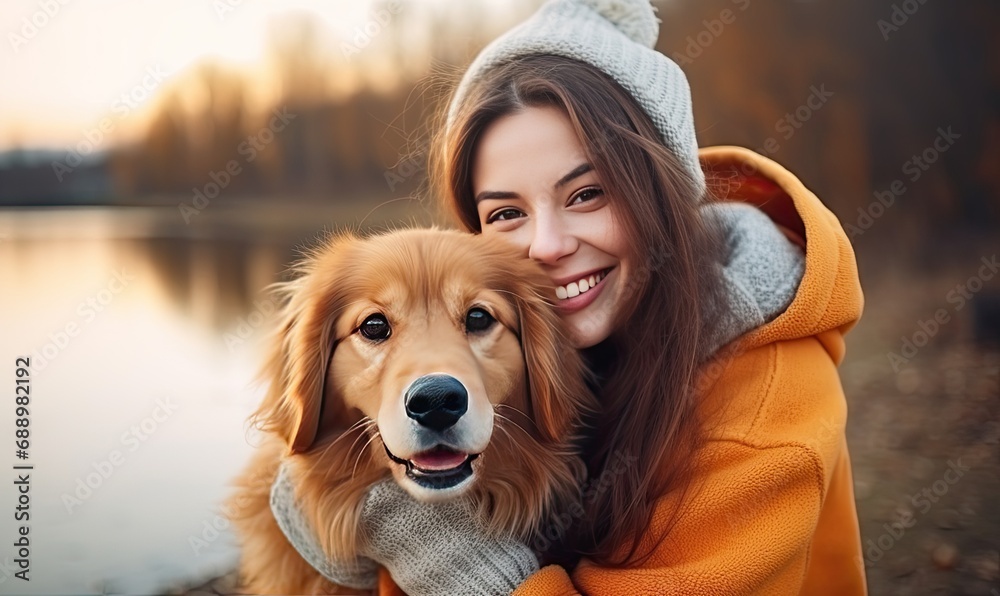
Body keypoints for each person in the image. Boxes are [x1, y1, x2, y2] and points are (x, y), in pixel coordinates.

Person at [269, 0, 867, 594]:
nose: (548, 247)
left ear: (664, 193)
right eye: (506, 212)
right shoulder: (558, 349)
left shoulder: (765, 407)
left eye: (587, 195)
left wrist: (435, 547)